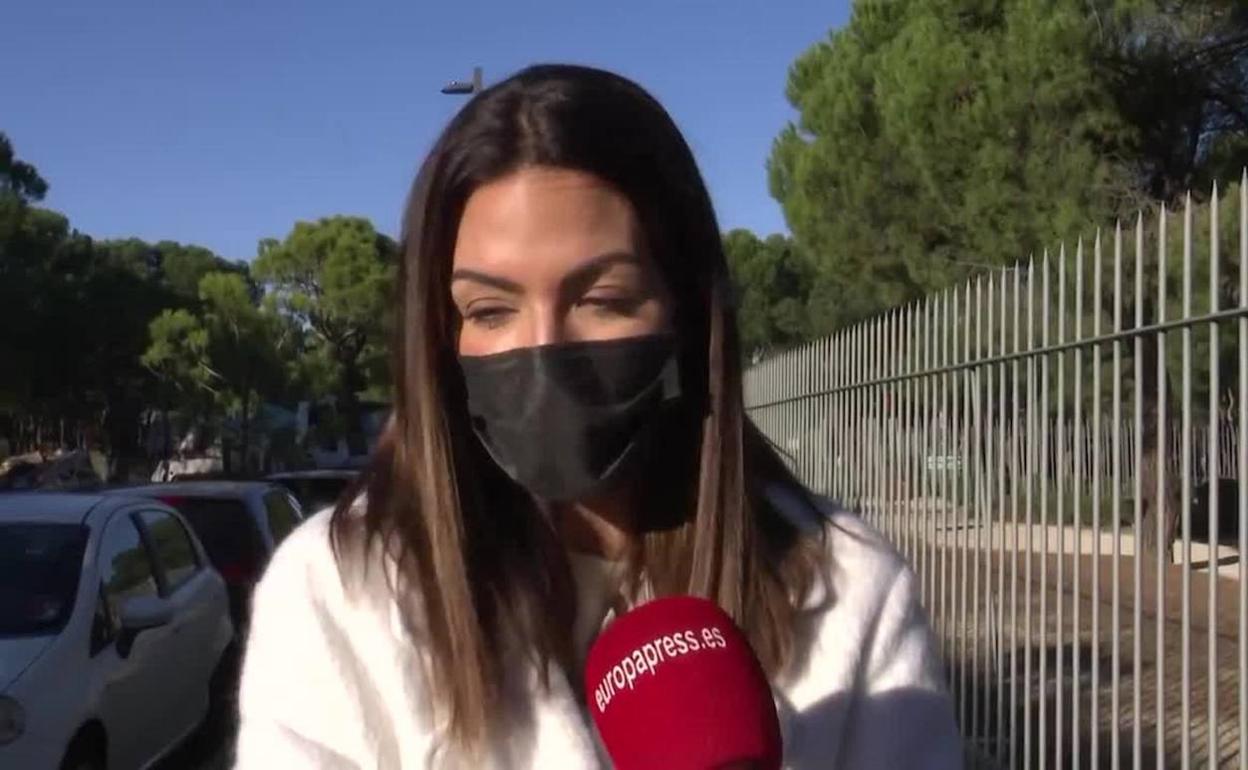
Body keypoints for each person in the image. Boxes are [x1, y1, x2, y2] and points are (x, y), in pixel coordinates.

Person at [234, 64, 962, 769]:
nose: (544, 349)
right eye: (489, 310)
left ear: (687, 313)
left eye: (603, 300)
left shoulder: (852, 595)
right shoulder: (335, 593)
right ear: (440, 336)